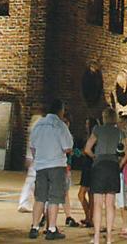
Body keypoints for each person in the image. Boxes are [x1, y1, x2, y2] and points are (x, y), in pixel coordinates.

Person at [28, 99, 74, 240]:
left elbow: (32, 146)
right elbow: (68, 147)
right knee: (54, 198)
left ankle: (34, 227)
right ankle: (52, 229)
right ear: (61, 111)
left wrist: (39, 158)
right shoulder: (60, 126)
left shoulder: (39, 124)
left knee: (39, 198)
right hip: (56, 165)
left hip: (41, 166)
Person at [84, 109, 124, 244]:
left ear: (104, 117)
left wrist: (95, 157)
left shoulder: (97, 130)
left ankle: (96, 237)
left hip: (99, 166)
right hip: (113, 165)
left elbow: (87, 149)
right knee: (110, 204)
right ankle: (109, 237)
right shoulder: (120, 132)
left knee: (97, 204)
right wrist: (119, 164)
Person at [77, 117, 99, 229]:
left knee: (81, 194)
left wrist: (94, 157)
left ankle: (89, 216)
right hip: (89, 166)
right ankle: (90, 217)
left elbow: (87, 150)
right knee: (90, 194)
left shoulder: (93, 136)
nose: (85, 126)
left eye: (87, 124)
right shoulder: (93, 137)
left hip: (89, 167)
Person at [19, 116, 40, 213]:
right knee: (31, 181)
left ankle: (27, 202)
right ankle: (24, 202)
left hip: (34, 159)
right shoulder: (36, 133)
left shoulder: (32, 133)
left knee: (31, 182)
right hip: (36, 159)